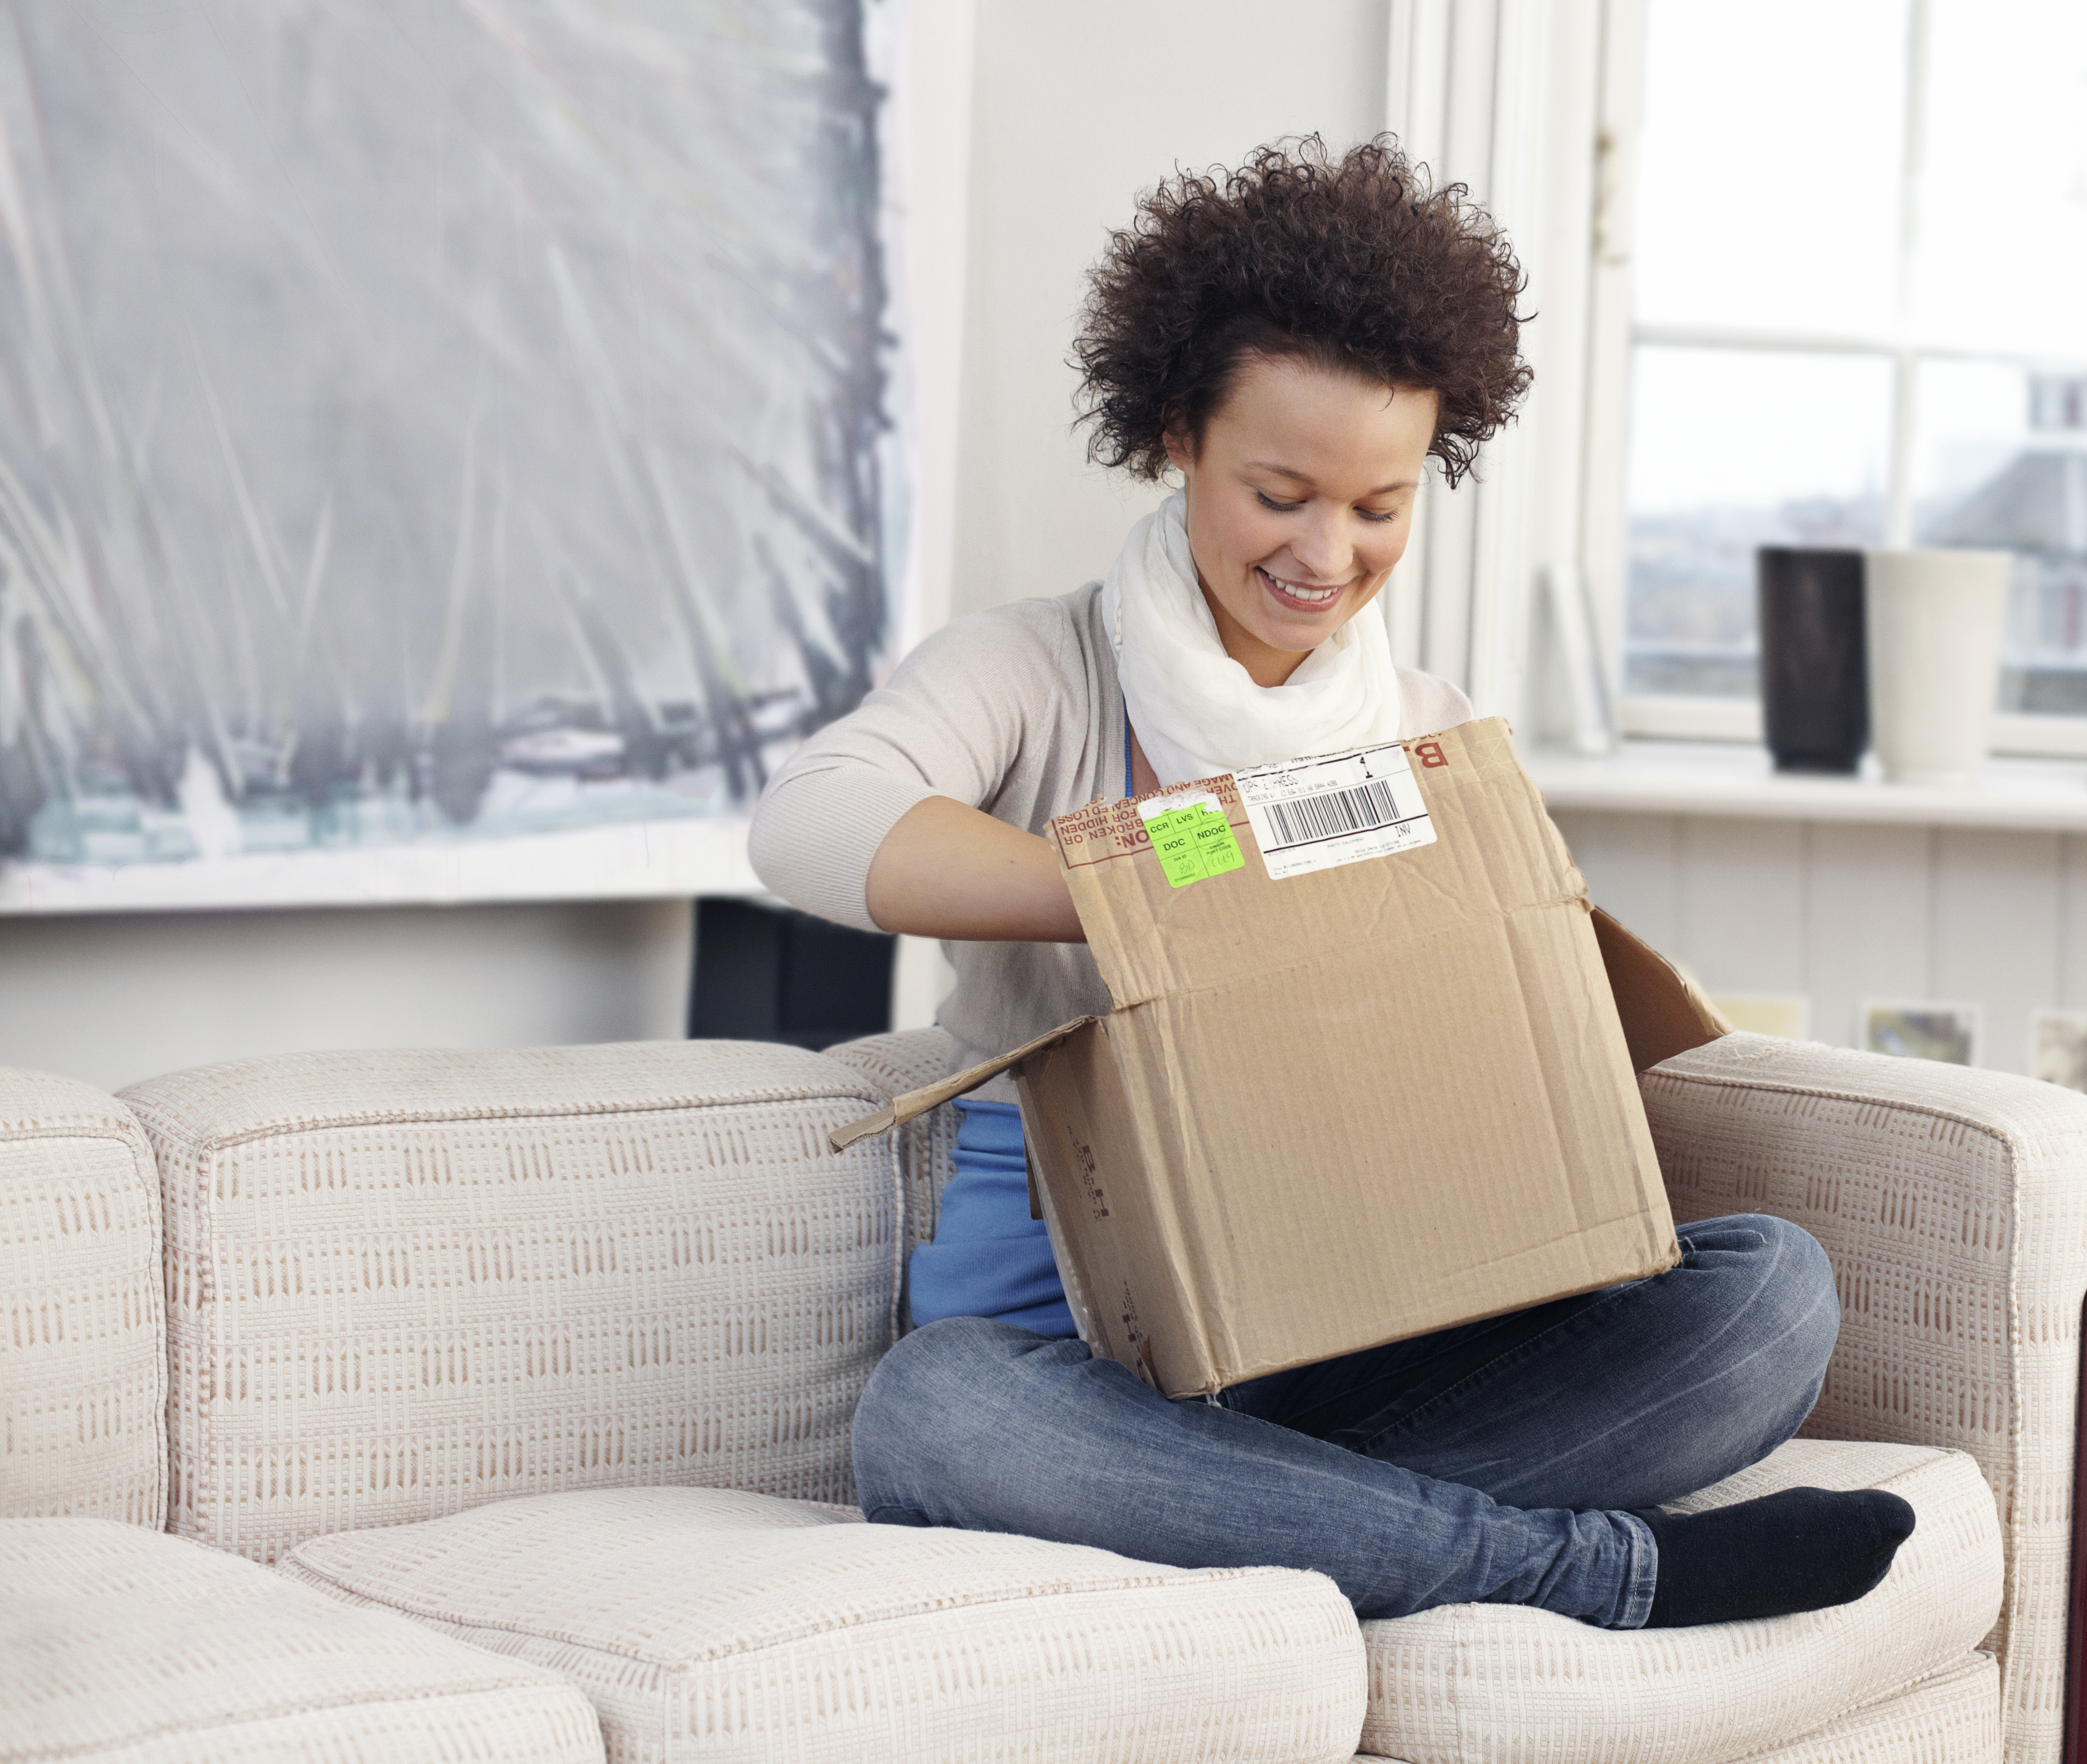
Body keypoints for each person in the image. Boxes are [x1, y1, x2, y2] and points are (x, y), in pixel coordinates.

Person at [749, 137, 1912, 1630]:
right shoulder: (1038, 669)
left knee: (1768, 1298)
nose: (1325, 554)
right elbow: (811, 823)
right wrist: (1143, 897)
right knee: (939, 1414)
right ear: (1179, 436)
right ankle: (1582, 1571)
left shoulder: (1424, 738)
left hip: (1358, 1349)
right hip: (1084, 1364)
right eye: (1281, 493)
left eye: (1378, 507)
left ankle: (1256, 1514)